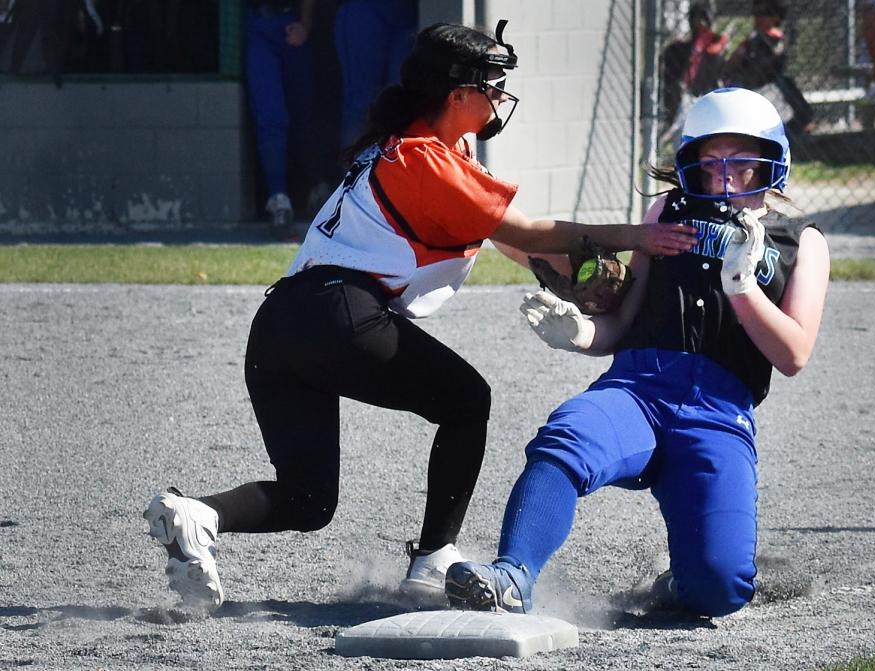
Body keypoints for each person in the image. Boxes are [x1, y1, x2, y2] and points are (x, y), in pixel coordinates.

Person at [142, 20, 700, 613]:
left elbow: (511, 244)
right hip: (338, 311)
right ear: (455, 95)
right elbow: (523, 230)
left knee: (309, 501)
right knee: (467, 400)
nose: (500, 95)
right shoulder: (424, 160)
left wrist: (569, 273)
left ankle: (199, 517)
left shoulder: (413, 147)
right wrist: (643, 235)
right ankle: (434, 557)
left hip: (281, 323)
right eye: (491, 84)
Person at [445, 87, 830, 619]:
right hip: (638, 387)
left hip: (717, 413)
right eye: (710, 162)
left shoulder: (801, 240)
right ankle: (511, 576)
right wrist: (583, 334)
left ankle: (679, 583)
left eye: (741, 162)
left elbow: (793, 354)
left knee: (720, 588)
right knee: (566, 438)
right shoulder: (668, 210)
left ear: (773, 163)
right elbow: (623, 325)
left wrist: (743, 286)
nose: (724, 176)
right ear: (688, 165)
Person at [245, 0, 327, 238]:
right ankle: (278, 200)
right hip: (258, 22)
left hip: (291, 21)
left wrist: (305, 23)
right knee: (271, 114)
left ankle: (317, 190)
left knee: (304, 112)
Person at [722, 0, 814, 139]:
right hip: (750, 89)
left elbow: (771, 62)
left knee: (803, 113)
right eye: (756, 13)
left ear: (775, 18)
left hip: (772, 88)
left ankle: (782, 139)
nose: (758, 18)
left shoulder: (774, 38)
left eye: (764, 14)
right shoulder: (752, 40)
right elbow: (729, 67)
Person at [334, 0, 418, 150]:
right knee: (361, 103)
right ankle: (355, 171)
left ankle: (396, 169)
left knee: (403, 103)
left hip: (408, 11)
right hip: (364, 9)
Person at [660, 2, 729, 149]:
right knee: (681, 138)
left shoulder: (716, 48)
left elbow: (717, 74)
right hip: (683, 100)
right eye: (696, 19)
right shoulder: (677, 49)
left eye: (704, 19)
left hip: (707, 99)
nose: (700, 24)